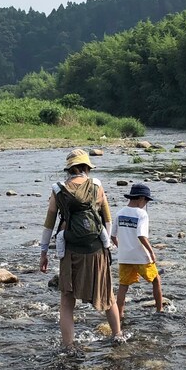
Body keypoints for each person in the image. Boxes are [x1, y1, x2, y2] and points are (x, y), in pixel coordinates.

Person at [39, 149, 122, 351]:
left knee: (67, 300)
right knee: (108, 295)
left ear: (69, 169)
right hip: (95, 250)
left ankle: (68, 346)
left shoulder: (58, 190)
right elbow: (108, 219)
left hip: (70, 251)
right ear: (87, 168)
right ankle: (118, 336)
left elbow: (49, 224)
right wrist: (106, 243)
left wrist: (43, 252)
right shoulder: (96, 186)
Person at [111, 183, 162, 321]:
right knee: (156, 280)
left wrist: (121, 247)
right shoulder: (141, 214)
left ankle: (120, 315)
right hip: (141, 256)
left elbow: (112, 236)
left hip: (124, 256)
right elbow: (141, 235)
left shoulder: (120, 213)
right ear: (141, 198)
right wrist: (151, 252)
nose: (146, 204)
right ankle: (160, 310)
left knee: (123, 286)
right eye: (146, 200)